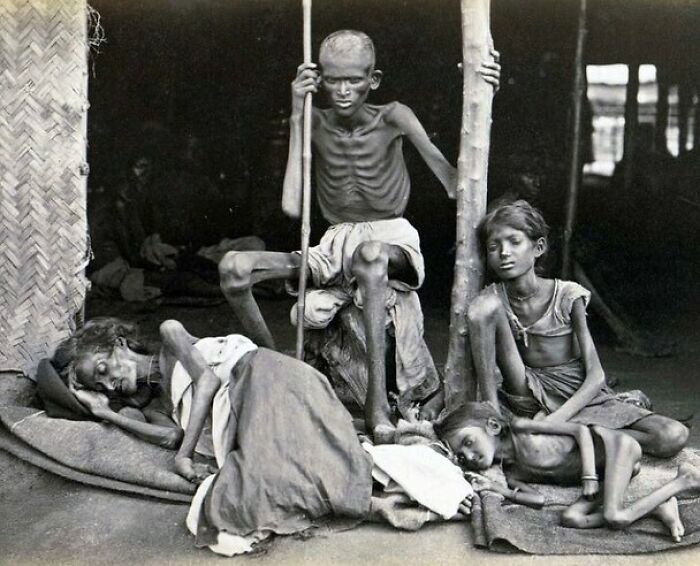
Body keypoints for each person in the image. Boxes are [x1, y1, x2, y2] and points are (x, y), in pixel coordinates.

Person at [218, 30, 501, 442]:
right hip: (334, 243)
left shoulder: (395, 117)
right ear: (320, 79)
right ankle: (277, 366)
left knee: (369, 255)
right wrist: (299, 110)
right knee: (234, 267)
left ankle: (377, 406)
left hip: (390, 238)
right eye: (333, 80)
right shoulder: (314, 121)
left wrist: (485, 88)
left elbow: (452, 180)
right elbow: (292, 207)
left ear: (375, 79)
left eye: (354, 80)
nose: (344, 90)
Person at [47, 317, 474, 544]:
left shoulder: (171, 335)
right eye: (99, 386)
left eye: (103, 368)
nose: (110, 383)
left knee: (262, 472)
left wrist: (181, 459)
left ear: (119, 343)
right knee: (253, 486)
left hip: (266, 377)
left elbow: (209, 383)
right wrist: (108, 415)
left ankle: (378, 495)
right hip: (243, 416)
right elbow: (174, 437)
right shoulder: (155, 404)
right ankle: (379, 500)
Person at [463, 200, 688, 457]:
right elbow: (481, 318)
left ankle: (573, 436)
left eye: (514, 242)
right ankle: (519, 422)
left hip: (579, 396)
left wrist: (556, 421)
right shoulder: (493, 299)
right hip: (526, 394)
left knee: (672, 435)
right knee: (484, 307)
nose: (504, 252)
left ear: (538, 248)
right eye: (494, 246)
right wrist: (492, 411)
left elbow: (596, 376)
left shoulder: (568, 295)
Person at [436, 401, 699, 542]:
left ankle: (684, 480)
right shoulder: (512, 472)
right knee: (570, 518)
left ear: (492, 425)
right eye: (461, 456)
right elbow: (538, 500)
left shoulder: (522, 427)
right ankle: (655, 506)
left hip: (617, 448)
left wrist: (588, 475)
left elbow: (581, 430)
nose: (469, 456)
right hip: (608, 471)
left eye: (468, 442)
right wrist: (497, 489)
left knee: (615, 517)